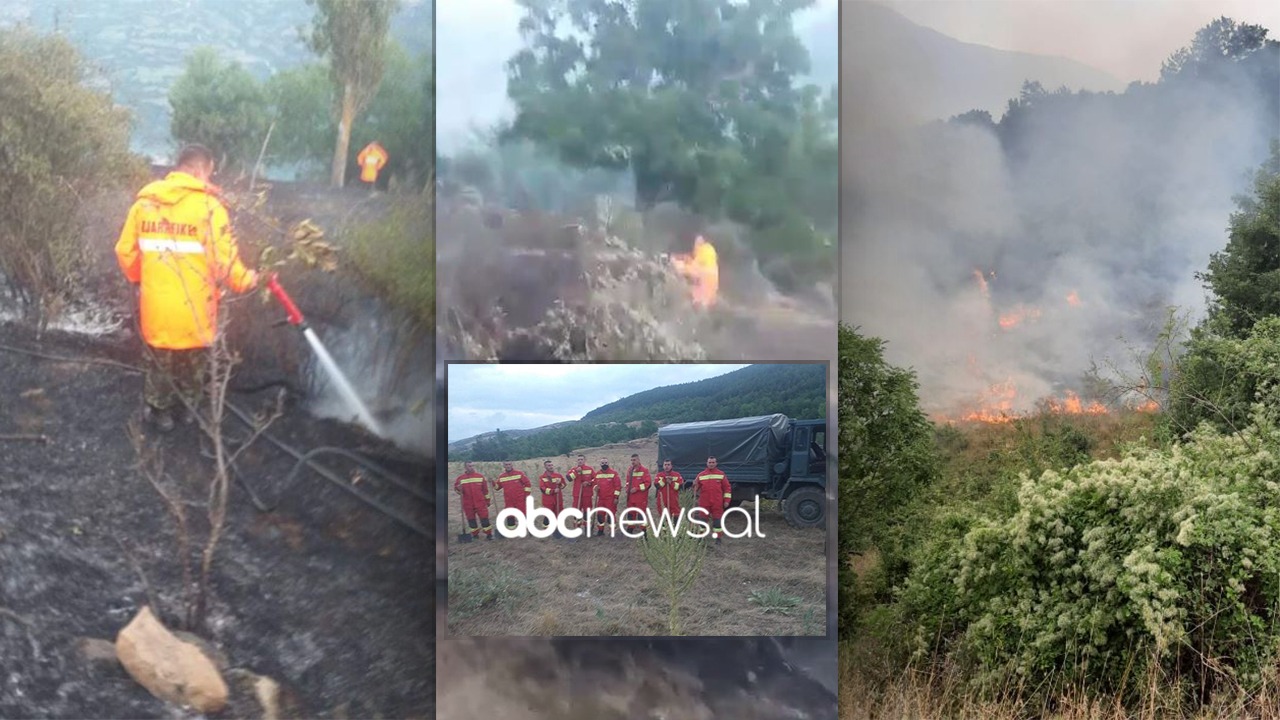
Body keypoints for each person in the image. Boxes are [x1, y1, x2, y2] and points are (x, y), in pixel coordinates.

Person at [115, 144, 259, 433]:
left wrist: (142, 279)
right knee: (193, 364)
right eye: (209, 173)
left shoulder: (145, 205)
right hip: (197, 310)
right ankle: (188, 410)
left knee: (159, 361)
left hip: (157, 307)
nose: (209, 180)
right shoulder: (209, 208)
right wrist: (248, 280)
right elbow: (225, 263)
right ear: (198, 170)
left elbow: (125, 252)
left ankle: (158, 411)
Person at [694, 456, 733, 544]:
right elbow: (695, 489)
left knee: (717, 521)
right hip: (704, 502)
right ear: (707, 463)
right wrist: (694, 485)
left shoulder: (721, 474)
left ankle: (718, 538)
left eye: (713, 462)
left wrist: (727, 500)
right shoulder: (701, 475)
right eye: (709, 462)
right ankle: (701, 538)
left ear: (716, 463)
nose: (711, 464)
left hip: (717, 502)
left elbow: (727, 488)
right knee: (702, 521)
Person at [453, 461, 493, 541]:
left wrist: (487, 501)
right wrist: (458, 489)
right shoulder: (460, 478)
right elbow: (457, 490)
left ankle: (489, 534)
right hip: (468, 503)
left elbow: (485, 491)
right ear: (465, 467)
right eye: (469, 466)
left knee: (484, 519)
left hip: (480, 502)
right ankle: (475, 535)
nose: (471, 467)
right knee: (471, 520)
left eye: (472, 466)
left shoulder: (480, 477)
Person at [494, 461, 533, 533]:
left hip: (520, 498)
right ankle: (512, 528)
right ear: (504, 466)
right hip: (509, 499)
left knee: (522, 512)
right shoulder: (502, 476)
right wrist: (493, 483)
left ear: (512, 465)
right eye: (506, 465)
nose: (508, 466)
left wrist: (526, 495)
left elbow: (527, 484)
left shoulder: (519, 474)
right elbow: (497, 488)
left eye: (509, 464)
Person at [592, 458, 622, 537]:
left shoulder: (614, 473)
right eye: (602, 463)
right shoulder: (597, 474)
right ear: (600, 464)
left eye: (605, 462)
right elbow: (594, 483)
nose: (604, 464)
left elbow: (618, 487)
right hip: (601, 499)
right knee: (600, 515)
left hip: (610, 499)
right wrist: (595, 487)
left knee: (610, 516)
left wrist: (616, 497)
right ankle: (600, 531)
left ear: (608, 463)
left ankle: (612, 531)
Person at [624, 453, 652, 532]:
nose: (633, 462)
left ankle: (644, 531)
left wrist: (637, 488)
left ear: (639, 460)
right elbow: (627, 481)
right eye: (632, 460)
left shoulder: (644, 470)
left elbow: (648, 484)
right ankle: (630, 528)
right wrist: (627, 488)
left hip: (640, 497)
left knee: (641, 515)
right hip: (631, 497)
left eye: (634, 460)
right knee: (630, 513)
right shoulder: (630, 470)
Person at [567, 454, 596, 531]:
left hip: (587, 495)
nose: (580, 461)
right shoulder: (573, 470)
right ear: (577, 461)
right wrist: (576, 472)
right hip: (577, 495)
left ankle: (587, 529)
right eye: (578, 459)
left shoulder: (590, 469)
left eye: (581, 459)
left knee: (587, 512)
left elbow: (595, 479)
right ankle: (577, 528)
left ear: (584, 460)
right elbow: (569, 478)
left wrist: (589, 482)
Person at [538, 460, 566, 533]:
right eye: (548, 465)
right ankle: (546, 529)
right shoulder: (542, 477)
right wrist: (553, 491)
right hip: (548, 499)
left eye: (551, 465)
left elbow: (564, 485)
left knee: (559, 512)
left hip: (558, 498)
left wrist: (560, 484)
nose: (551, 467)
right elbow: (542, 489)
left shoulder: (558, 476)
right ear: (545, 467)